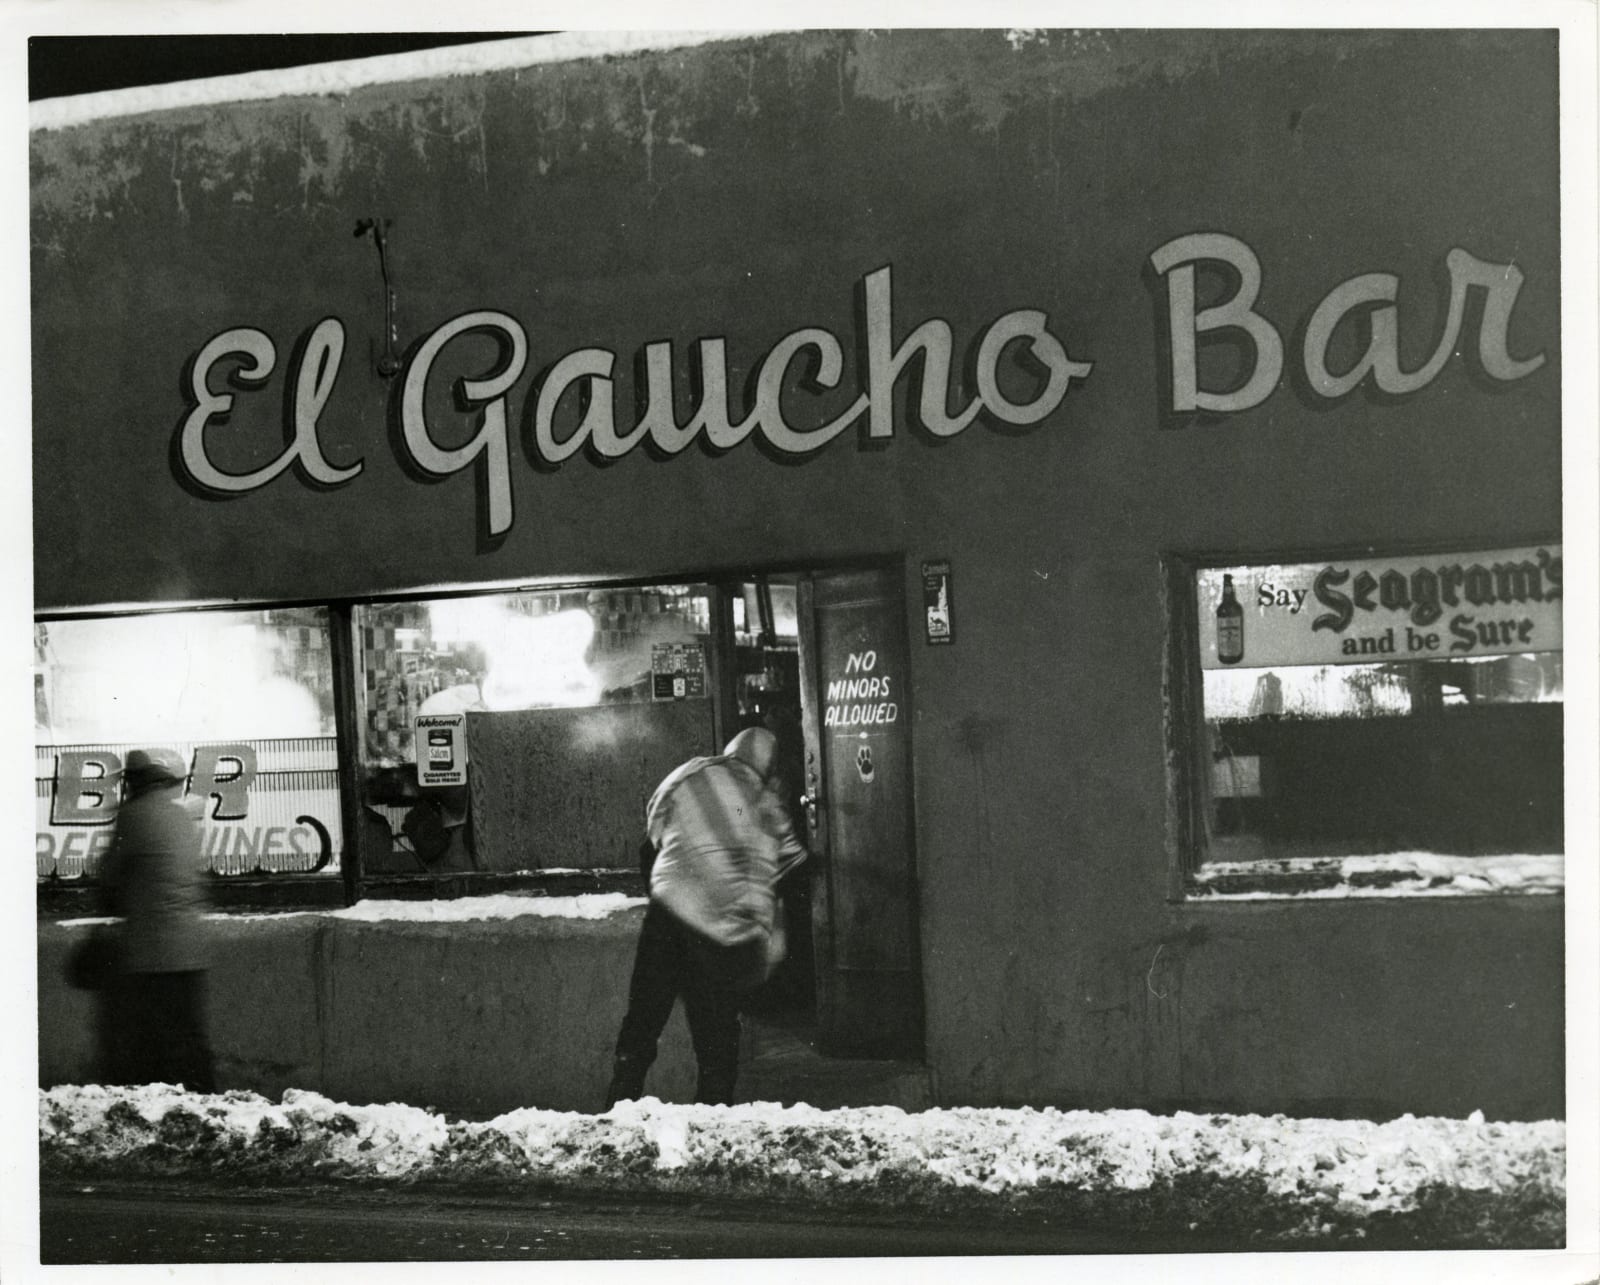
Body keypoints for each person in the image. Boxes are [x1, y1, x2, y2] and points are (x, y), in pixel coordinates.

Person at [604, 727, 809, 1108]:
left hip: (668, 913)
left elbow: (652, 834)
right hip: (722, 934)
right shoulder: (768, 804)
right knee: (716, 1033)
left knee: (644, 1017)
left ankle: (620, 1104)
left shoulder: (689, 773)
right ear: (769, 765)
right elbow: (793, 868)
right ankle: (713, 1116)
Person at [97, 747, 215, 1091]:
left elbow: (109, 877)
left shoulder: (133, 816)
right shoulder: (180, 817)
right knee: (189, 1038)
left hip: (151, 952)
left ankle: (158, 1109)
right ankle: (207, 1107)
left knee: (145, 1043)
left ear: (136, 785)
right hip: (191, 947)